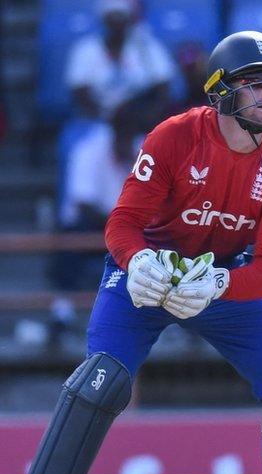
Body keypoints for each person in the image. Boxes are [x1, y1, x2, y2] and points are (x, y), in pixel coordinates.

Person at [10, 31, 262, 474]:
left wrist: (223, 283)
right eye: (258, 86)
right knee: (100, 381)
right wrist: (138, 263)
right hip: (147, 275)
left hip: (220, 278)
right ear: (223, 91)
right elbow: (123, 223)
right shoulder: (173, 137)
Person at [47, 103, 144, 346]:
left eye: (131, 134)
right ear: (113, 130)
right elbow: (83, 204)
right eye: (123, 133)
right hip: (95, 225)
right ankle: (62, 314)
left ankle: (165, 319)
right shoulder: (90, 148)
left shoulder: (145, 150)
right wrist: (121, 225)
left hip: (132, 230)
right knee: (71, 238)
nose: (128, 139)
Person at [66, 0, 176, 121]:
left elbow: (163, 86)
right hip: (96, 121)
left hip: (138, 122)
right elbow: (79, 90)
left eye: (120, 17)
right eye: (112, 17)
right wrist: (107, 117)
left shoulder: (147, 47)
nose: (116, 23)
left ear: (128, 19)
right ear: (103, 19)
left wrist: (147, 115)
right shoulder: (86, 49)